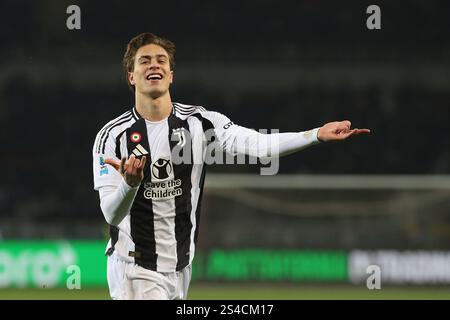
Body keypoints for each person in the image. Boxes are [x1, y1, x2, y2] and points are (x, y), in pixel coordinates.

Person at [92, 32, 370, 300]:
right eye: (145, 60)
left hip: (180, 265)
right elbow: (111, 215)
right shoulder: (112, 137)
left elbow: (260, 146)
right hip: (135, 265)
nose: (154, 64)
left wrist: (315, 134)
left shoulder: (201, 122)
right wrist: (130, 184)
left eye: (161, 60)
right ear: (131, 76)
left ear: (171, 74)